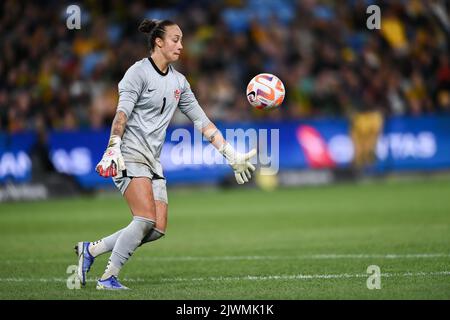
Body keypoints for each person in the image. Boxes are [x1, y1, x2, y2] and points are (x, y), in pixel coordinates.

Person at [75, 19, 257, 290]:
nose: (181, 45)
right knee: (145, 218)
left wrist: (230, 154)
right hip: (129, 152)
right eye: (175, 39)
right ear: (158, 41)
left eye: (182, 39)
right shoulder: (137, 73)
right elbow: (121, 114)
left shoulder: (179, 82)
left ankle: (90, 250)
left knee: (156, 229)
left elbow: (203, 122)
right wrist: (113, 146)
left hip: (153, 160)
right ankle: (107, 277)